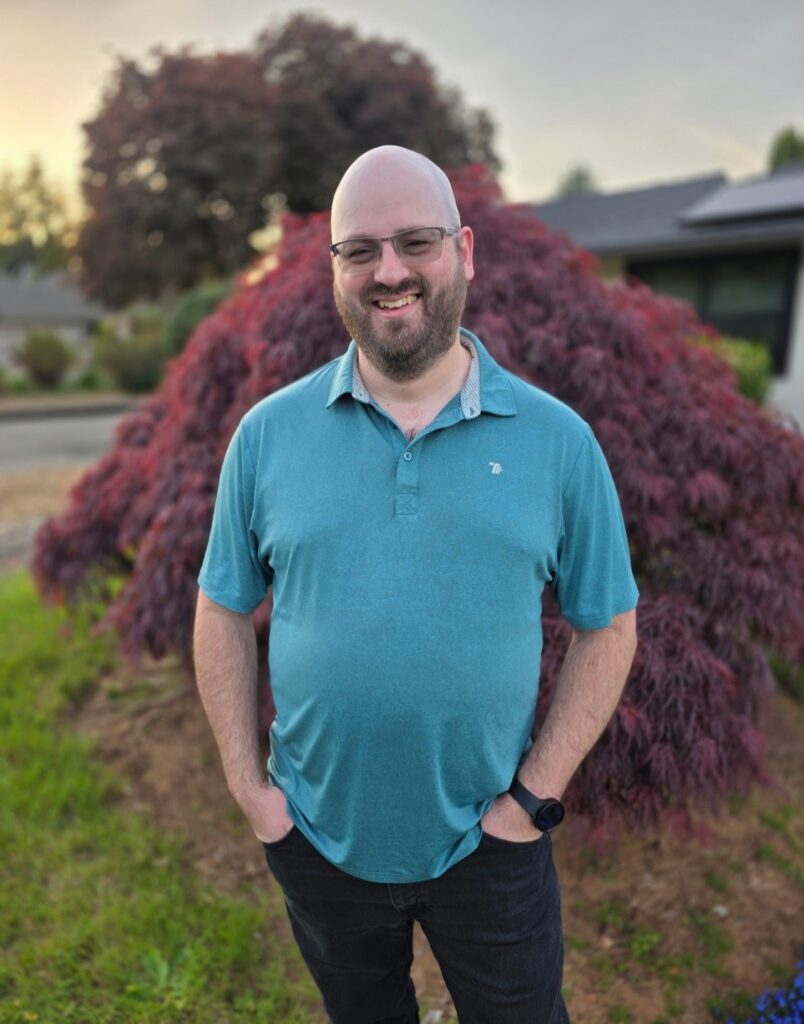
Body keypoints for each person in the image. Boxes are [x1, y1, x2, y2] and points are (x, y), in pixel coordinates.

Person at [194, 145, 639, 1024]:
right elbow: (221, 606)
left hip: (492, 848)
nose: (388, 272)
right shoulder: (267, 436)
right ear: (335, 271)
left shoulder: (558, 442)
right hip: (318, 842)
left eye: (416, 242)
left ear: (464, 251)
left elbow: (609, 625)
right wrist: (252, 792)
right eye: (360, 251)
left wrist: (531, 800)